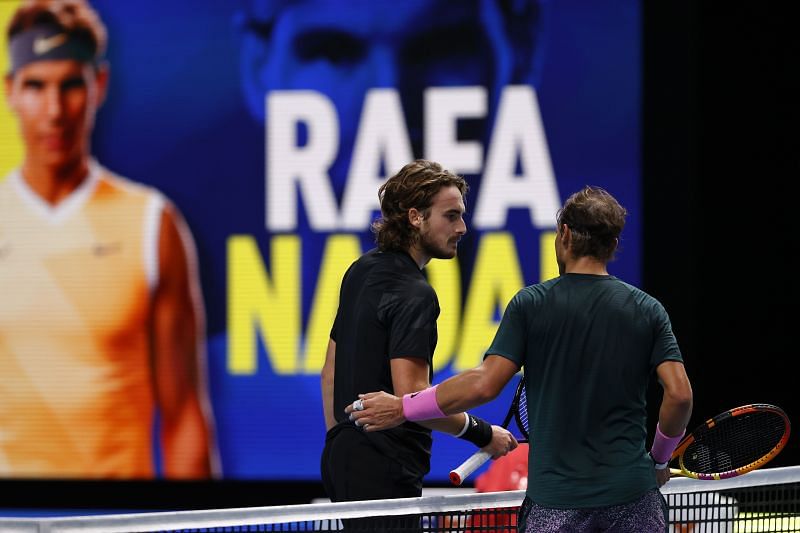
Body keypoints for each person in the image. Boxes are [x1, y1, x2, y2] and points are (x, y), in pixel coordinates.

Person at [348, 186, 694, 532]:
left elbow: (484, 385)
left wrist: (403, 408)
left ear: (565, 235)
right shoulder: (648, 310)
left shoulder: (531, 305)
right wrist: (660, 458)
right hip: (633, 497)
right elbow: (679, 395)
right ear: (614, 245)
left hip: (555, 506)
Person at [0, 0, 218, 479]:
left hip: (115, 516)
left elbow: (183, 414)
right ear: (11, 90)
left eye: (70, 85)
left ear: (98, 86)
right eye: (36, 86)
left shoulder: (151, 224)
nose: (54, 110)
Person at [320, 159, 517, 510]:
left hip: (342, 462)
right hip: (385, 470)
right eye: (451, 215)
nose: (462, 227)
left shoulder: (360, 270)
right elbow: (413, 399)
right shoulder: (415, 293)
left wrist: (340, 439)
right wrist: (482, 433)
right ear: (415, 217)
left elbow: (330, 371)